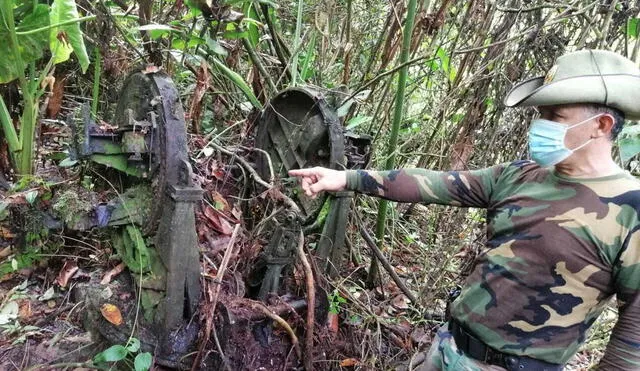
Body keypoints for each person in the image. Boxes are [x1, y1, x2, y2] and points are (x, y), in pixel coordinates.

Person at [288, 49, 640, 370]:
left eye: (555, 115)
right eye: (540, 114)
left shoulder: (631, 209)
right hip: (447, 348)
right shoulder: (518, 176)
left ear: (601, 125)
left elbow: (633, 334)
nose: (540, 125)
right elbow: (431, 184)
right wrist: (345, 178)